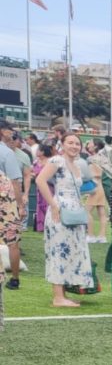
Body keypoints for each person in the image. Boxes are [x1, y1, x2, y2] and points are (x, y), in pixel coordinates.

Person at [35, 133, 94, 307]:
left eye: (77, 143)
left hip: (75, 212)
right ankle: (58, 297)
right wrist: (53, 205)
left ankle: (63, 294)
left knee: (71, 251)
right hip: (60, 212)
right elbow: (40, 180)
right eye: (70, 142)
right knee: (59, 251)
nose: (74, 146)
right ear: (62, 144)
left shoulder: (77, 165)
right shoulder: (57, 161)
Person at [0, 120, 25, 290]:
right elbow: (15, 182)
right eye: (10, 130)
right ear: (3, 131)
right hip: (6, 203)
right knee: (12, 242)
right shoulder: (7, 153)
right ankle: (15, 278)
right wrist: (20, 206)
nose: (12, 133)